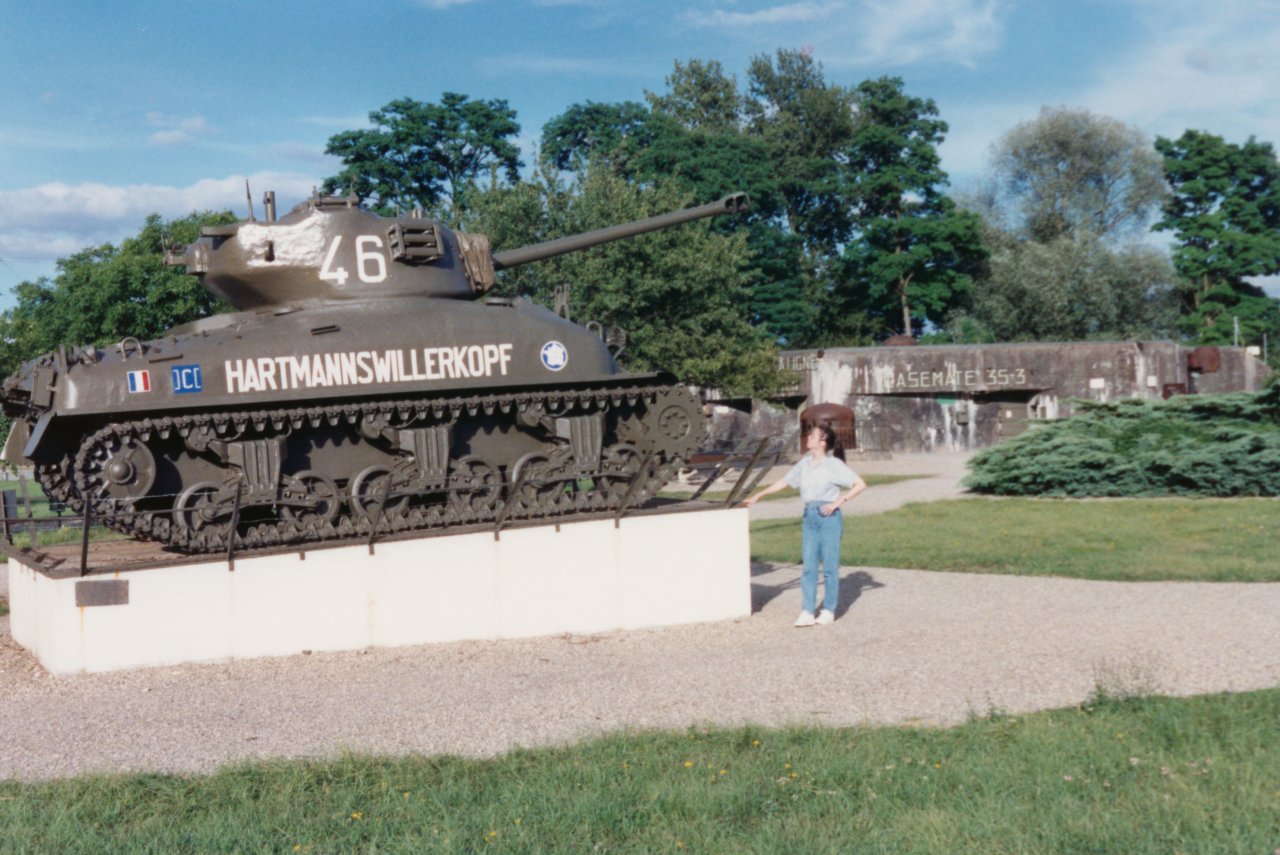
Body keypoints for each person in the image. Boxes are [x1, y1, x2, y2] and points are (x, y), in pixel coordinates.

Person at [743, 425, 866, 627]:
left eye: (813, 436)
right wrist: (759, 495)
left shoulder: (833, 465)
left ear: (822, 442)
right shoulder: (805, 464)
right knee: (808, 567)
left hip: (829, 519)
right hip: (809, 517)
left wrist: (838, 503)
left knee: (829, 567)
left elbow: (860, 484)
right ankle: (807, 611)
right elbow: (784, 481)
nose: (808, 438)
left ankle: (828, 610)